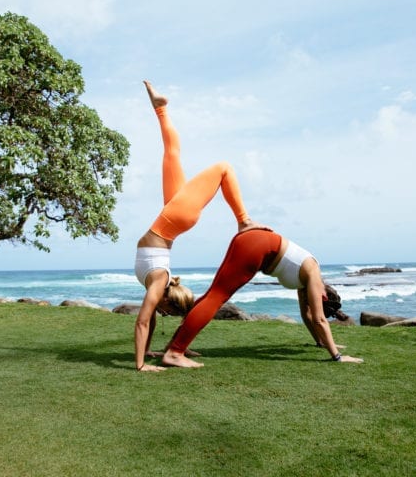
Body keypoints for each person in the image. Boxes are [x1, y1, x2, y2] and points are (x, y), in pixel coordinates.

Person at [134, 81, 267, 372]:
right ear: (167, 302)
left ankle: (161, 108)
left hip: (173, 219)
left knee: (185, 157)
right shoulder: (157, 283)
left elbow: (146, 321)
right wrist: (144, 361)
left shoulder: (156, 284)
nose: (163, 315)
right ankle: (243, 220)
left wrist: (143, 360)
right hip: (174, 218)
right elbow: (146, 321)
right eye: (168, 313)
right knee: (208, 164)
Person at [161, 229, 364, 368]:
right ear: (323, 296)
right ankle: (175, 352)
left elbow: (308, 316)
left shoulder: (306, 280)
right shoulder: (313, 275)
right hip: (255, 246)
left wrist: (322, 343)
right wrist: (337, 357)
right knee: (216, 297)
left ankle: (176, 346)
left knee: (211, 296)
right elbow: (319, 319)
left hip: (253, 241)